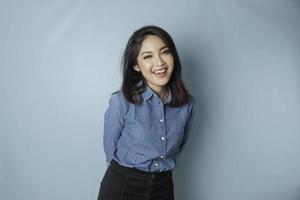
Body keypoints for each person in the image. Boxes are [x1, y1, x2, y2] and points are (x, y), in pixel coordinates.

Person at [97, 25, 195, 200]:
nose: (159, 63)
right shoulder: (121, 101)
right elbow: (110, 148)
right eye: (148, 56)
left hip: (163, 186)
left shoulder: (187, 104)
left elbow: (180, 146)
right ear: (136, 65)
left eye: (165, 52)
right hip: (123, 184)